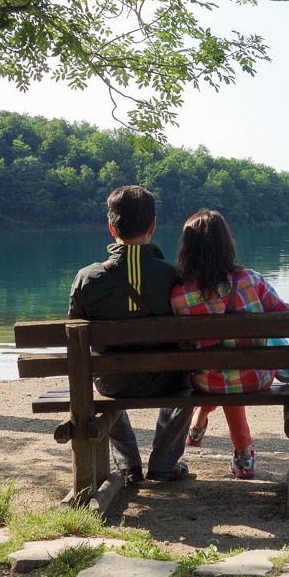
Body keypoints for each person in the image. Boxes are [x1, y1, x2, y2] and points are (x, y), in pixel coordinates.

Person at [68, 185, 192, 486]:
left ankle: (128, 466)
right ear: (153, 226)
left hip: (111, 382)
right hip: (167, 381)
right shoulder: (173, 276)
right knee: (187, 388)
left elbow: (74, 334)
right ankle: (163, 465)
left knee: (104, 384)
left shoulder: (87, 278)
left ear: (111, 227)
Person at [170, 209, 289, 479]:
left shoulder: (179, 295)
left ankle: (201, 422)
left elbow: (182, 344)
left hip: (205, 381)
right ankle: (243, 456)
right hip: (256, 378)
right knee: (234, 369)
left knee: (221, 370)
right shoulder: (252, 280)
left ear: (186, 248)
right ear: (227, 244)